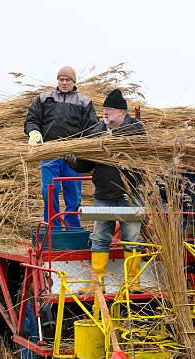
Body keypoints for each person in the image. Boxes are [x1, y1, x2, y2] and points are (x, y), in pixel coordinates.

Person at [63, 89, 146, 294]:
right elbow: (86, 164)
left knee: (132, 238)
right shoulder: (97, 130)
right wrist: (74, 161)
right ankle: (96, 283)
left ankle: (132, 284)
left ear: (121, 112)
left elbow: (144, 157)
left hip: (130, 194)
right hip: (103, 195)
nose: (105, 113)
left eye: (109, 109)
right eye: (104, 109)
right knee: (100, 237)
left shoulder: (136, 130)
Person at [24, 66, 98, 230]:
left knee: (73, 195)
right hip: (49, 152)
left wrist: (84, 149)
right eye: (61, 79)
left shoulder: (84, 102)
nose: (64, 83)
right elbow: (32, 119)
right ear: (58, 80)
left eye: (68, 80)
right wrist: (34, 132)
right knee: (49, 190)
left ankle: (72, 228)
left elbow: (92, 128)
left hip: (73, 156)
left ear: (74, 82)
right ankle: (53, 228)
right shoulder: (45, 99)